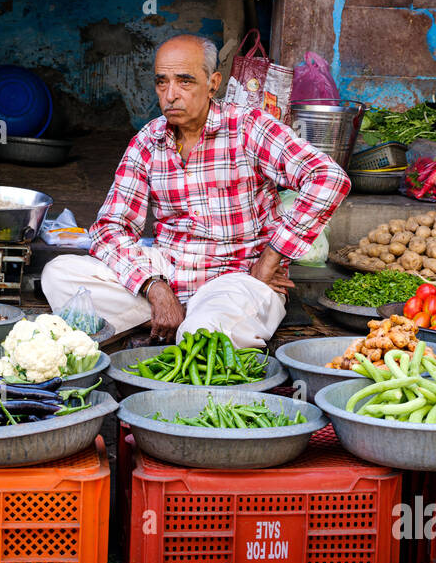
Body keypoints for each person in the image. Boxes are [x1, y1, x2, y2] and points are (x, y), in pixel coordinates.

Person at [41, 34, 350, 349]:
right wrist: (154, 286)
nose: (171, 95)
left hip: (238, 280)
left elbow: (328, 177)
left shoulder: (248, 128)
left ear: (213, 83)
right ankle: (171, 315)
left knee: (204, 334)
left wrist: (272, 257)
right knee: (59, 274)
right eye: (162, 83)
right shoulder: (147, 141)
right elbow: (110, 228)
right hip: (169, 275)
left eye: (184, 82)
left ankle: (171, 325)